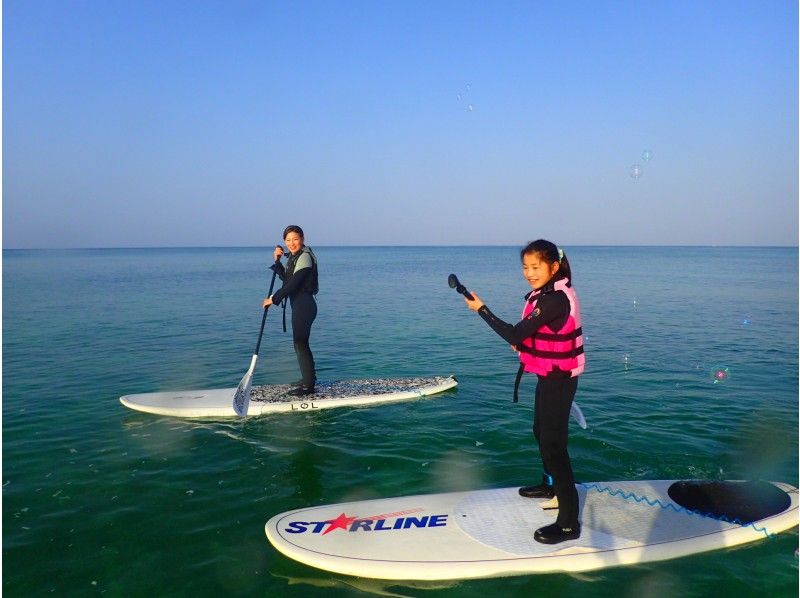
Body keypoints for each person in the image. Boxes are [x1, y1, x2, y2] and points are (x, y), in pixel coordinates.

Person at [463, 239, 585, 544]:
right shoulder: (546, 295)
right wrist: (524, 342)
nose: (529, 273)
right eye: (525, 267)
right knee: (539, 431)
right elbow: (532, 334)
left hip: (560, 379)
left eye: (536, 267)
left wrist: (481, 309)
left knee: (554, 446)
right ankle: (550, 485)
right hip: (549, 375)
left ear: (553, 267)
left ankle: (569, 524)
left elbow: (516, 332)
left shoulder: (555, 299)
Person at [263, 225, 319, 396]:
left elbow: (294, 284)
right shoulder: (294, 257)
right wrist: (277, 260)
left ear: (302, 238)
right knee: (300, 343)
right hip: (299, 305)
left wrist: (273, 299)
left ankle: (308, 386)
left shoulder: (305, 257)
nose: (292, 243)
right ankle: (308, 379)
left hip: (305, 305)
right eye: (288, 240)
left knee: (300, 343)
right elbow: (287, 279)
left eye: (295, 239)